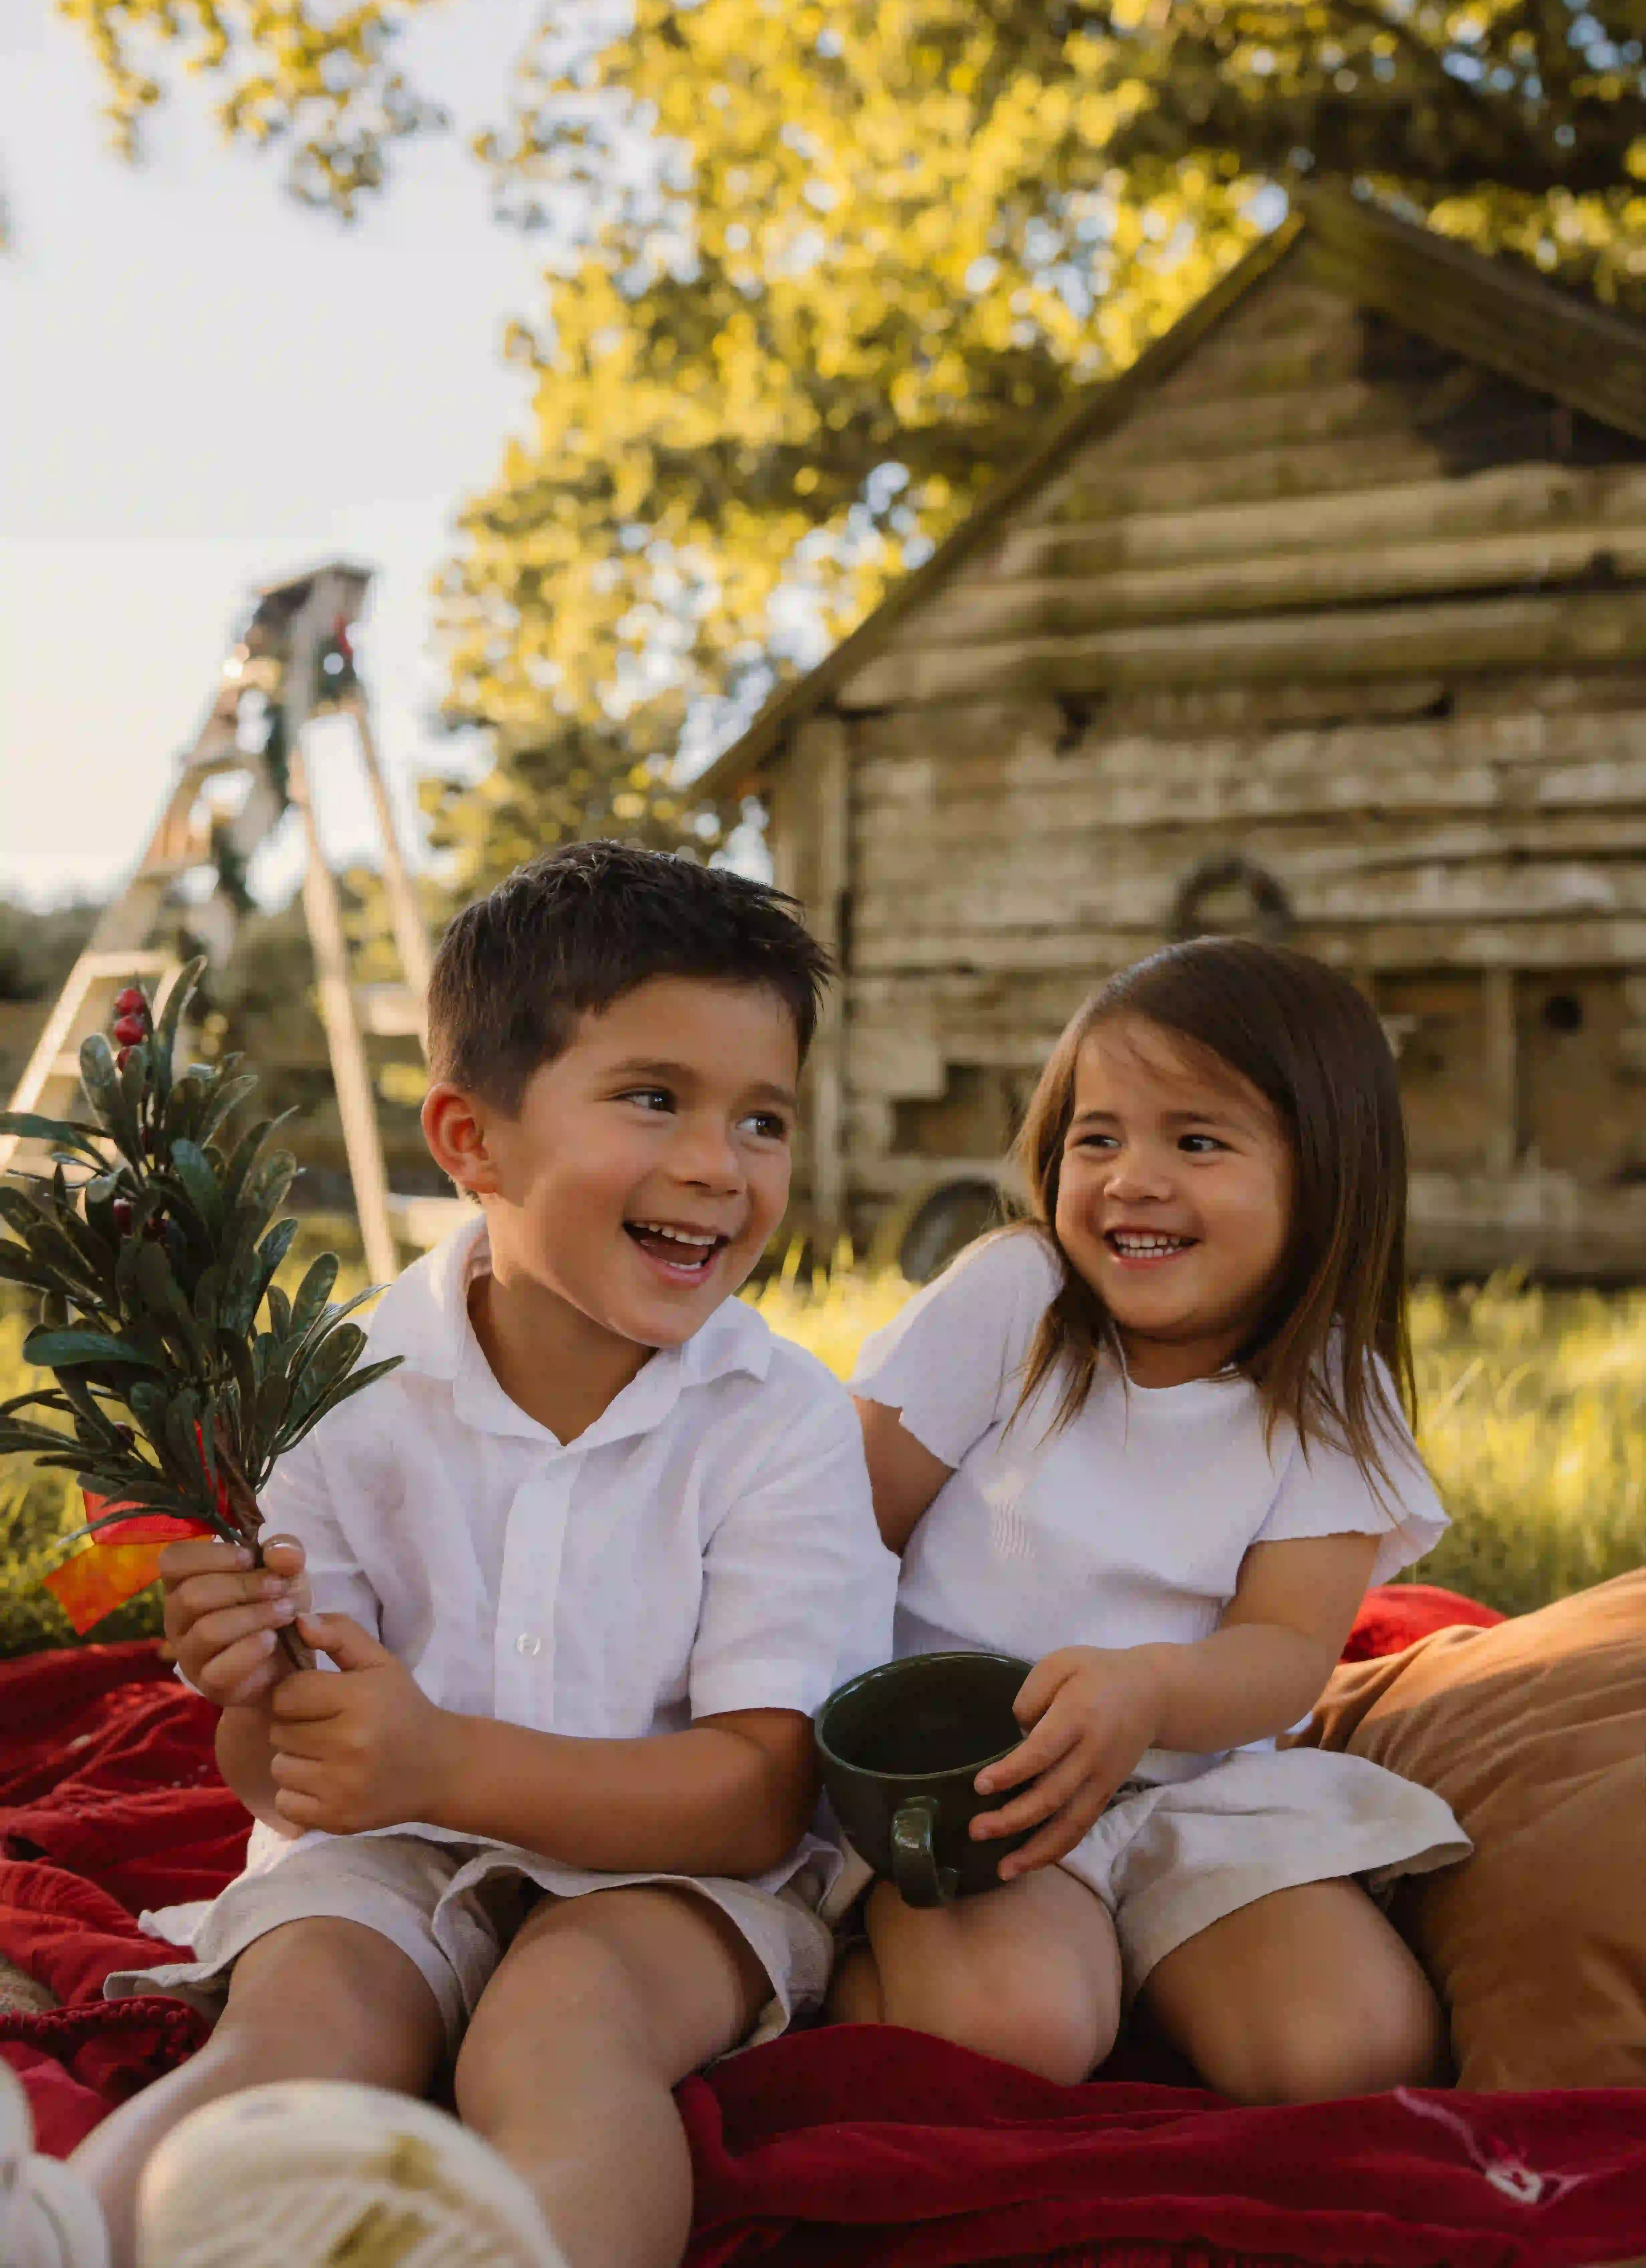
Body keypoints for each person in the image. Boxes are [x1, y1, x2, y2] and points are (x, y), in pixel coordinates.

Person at [2, 842, 896, 2268]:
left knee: (560, 2029)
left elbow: (758, 1795)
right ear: (471, 1140)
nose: (716, 1165)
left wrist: (443, 1764)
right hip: (390, 1850)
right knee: (304, 2022)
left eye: (762, 1118)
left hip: (676, 1877)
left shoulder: (777, 1417)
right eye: (654, 1097)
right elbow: (285, 1775)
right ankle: (70, 2236)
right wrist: (248, 1690)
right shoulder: (334, 1386)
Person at [830, 936, 1470, 2101]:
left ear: (1325, 1172)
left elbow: (1285, 1647)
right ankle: (859, 1974)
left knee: (1354, 2050)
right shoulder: (1017, 1298)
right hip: (980, 1784)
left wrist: (1149, 1692)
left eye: (1196, 1141)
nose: (1130, 1178)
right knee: (1014, 2034)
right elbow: (844, 1525)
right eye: (1097, 1138)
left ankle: (1143, 1958)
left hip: (1198, 1785)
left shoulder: (1332, 1388)